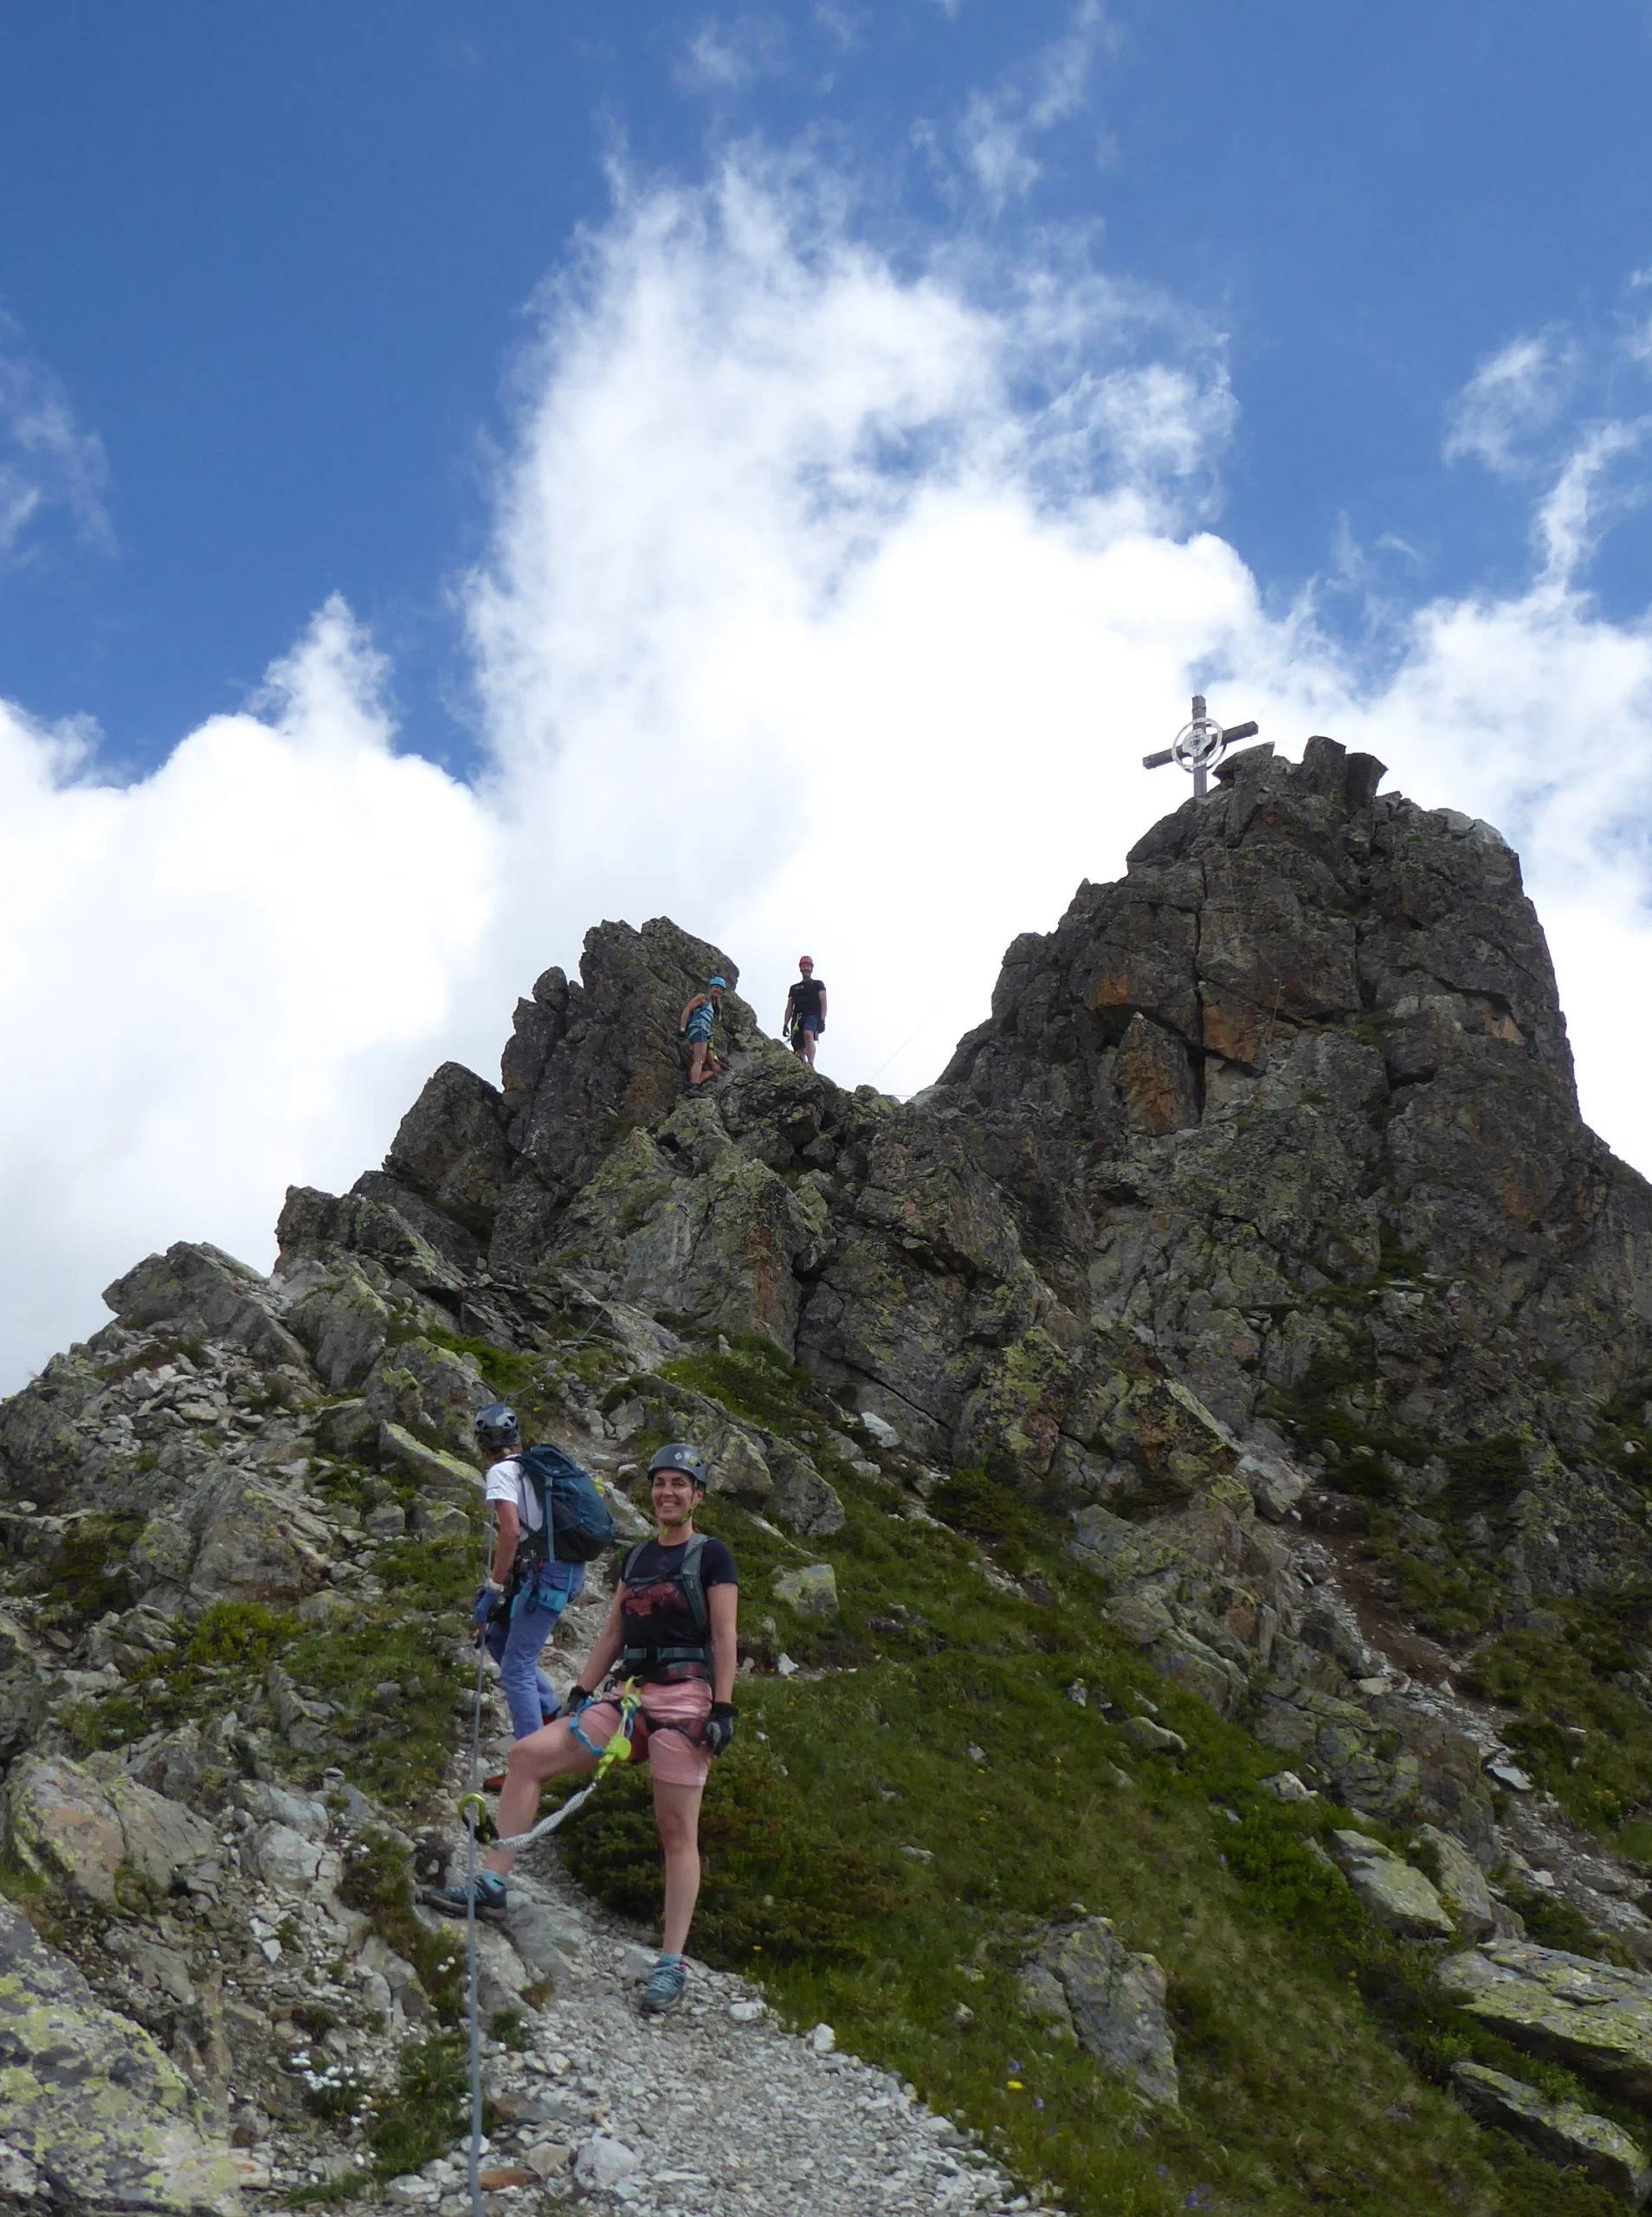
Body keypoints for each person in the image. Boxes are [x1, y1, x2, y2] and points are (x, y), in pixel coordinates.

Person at [430, 1443, 739, 2018]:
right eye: (660, 1483)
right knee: (527, 1756)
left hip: (686, 1700)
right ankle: (492, 1885)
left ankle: (670, 1964)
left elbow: (725, 1637)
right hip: (628, 1698)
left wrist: (723, 1709)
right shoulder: (638, 1558)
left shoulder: (712, 1556)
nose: (667, 1492)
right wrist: (579, 1692)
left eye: (679, 1484)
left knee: (676, 1834)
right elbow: (610, 1634)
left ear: (697, 1495)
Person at [470, 1403, 587, 1742]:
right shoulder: (533, 1468)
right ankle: (548, 1714)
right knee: (499, 1636)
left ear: (480, 1443)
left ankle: (531, 1760)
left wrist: (492, 1588)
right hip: (564, 1569)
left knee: (517, 1667)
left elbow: (509, 1532)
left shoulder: (500, 1473)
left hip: (546, 1575)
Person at [679, 975, 726, 1086]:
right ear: (710, 987)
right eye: (716, 987)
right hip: (698, 1029)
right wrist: (682, 1028)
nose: (718, 990)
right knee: (699, 1059)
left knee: (715, 1068)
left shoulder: (714, 1008)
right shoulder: (702, 998)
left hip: (705, 1034)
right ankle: (694, 1084)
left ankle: (695, 1083)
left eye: (720, 988)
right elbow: (687, 1009)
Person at [782, 956, 827, 1067]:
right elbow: (789, 1007)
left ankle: (810, 1063)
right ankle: (804, 1066)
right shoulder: (794, 988)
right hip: (797, 1018)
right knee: (798, 1047)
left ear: (812, 968)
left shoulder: (818, 984)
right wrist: (785, 1023)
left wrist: (822, 1020)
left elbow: (823, 1002)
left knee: (808, 1034)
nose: (806, 968)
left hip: (812, 1015)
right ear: (800, 968)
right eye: (803, 966)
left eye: (808, 966)